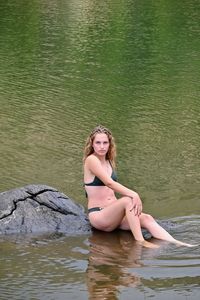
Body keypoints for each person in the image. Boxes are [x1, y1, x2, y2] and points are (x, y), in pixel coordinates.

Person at [83, 125, 195, 248]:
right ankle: (140, 241)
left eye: (105, 142)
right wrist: (133, 194)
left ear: (110, 144)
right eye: (98, 143)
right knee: (128, 200)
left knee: (147, 218)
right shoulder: (91, 160)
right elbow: (109, 183)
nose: (102, 146)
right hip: (100, 216)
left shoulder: (109, 160)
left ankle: (178, 243)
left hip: (115, 216)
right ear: (92, 144)